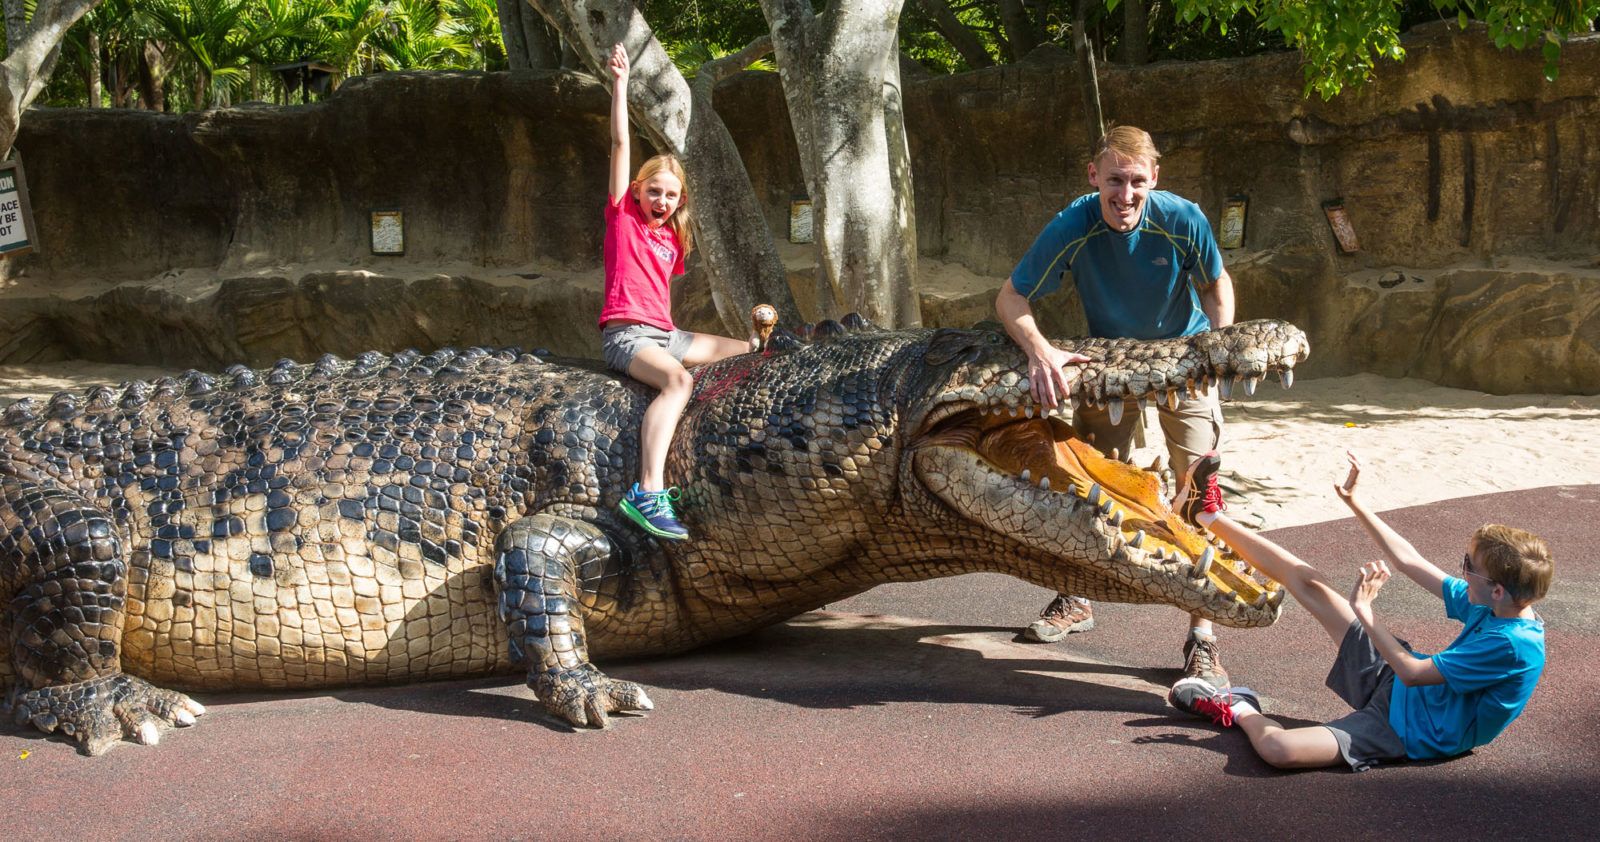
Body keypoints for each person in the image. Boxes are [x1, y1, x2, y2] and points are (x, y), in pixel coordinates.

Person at [995, 125, 1237, 687]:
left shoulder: (1183, 220)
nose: (1125, 195)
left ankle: (1202, 638)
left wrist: (1217, 347)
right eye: (1114, 181)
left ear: (1154, 178)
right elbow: (1011, 297)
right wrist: (1041, 352)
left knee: (1201, 491)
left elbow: (1216, 284)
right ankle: (1075, 595)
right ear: (1093, 177)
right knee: (1086, 484)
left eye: (1136, 182)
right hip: (1111, 365)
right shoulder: (1072, 224)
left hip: (1182, 358)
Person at [1166, 451, 1552, 771]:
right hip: (1397, 680)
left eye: (1469, 566)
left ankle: (1238, 706)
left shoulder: (1513, 646)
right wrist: (1355, 503)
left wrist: (1365, 610)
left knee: (1279, 750)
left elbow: (1414, 674)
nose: (1462, 572)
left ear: (1497, 589)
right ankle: (1204, 514)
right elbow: (1408, 560)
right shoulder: (1495, 604)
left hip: (1409, 731)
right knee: (1311, 583)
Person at [600, 44, 752, 541]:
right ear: (637, 191)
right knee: (677, 382)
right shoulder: (623, 218)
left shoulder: (670, 238)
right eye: (653, 190)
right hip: (627, 336)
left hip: (667, 336)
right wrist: (621, 85)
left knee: (752, 350)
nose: (661, 200)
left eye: (670, 194)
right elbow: (620, 144)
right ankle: (647, 491)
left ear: (679, 199)